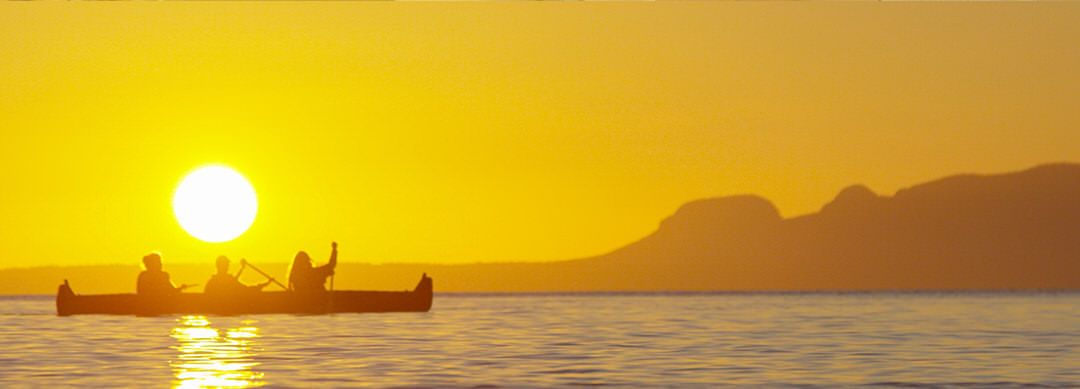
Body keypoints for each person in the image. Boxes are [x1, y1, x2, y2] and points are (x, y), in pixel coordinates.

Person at [205, 256, 270, 295]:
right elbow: (245, 290)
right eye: (226, 265)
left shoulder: (214, 281)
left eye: (227, 265)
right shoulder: (216, 281)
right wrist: (262, 285)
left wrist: (242, 268)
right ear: (220, 266)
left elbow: (235, 282)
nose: (227, 266)